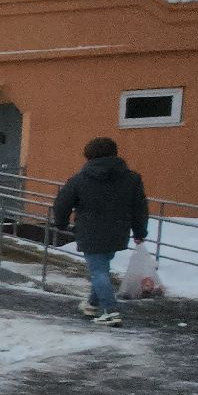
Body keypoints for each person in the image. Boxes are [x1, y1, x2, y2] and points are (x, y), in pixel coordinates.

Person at [52, 137, 149, 328]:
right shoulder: (132, 178)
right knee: (102, 268)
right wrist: (139, 231)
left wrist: (61, 224)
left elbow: (61, 204)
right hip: (118, 231)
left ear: (89, 155)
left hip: (90, 231)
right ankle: (92, 304)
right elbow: (140, 207)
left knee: (98, 272)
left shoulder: (79, 179)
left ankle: (110, 311)